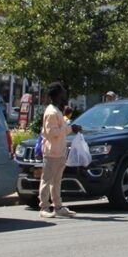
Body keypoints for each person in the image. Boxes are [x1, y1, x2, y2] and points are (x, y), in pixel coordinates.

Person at [38, 83, 75, 219]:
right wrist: (70, 129)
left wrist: (66, 122)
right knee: (47, 180)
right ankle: (44, 207)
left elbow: (59, 127)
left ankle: (58, 206)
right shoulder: (51, 112)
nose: (65, 94)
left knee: (57, 181)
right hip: (51, 152)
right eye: (63, 92)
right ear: (58, 94)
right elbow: (51, 132)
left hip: (59, 151)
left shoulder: (57, 110)